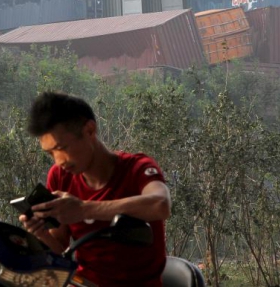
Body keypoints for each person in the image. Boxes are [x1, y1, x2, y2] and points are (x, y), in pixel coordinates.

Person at [19, 91, 170, 287]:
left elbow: (161, 204)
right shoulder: (59, 176)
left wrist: (83, 209)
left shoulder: (137, 168)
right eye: (50, 153)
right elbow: (61, 246)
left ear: (89, 131)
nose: (58, 161)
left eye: (62, 148)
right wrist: (41, 233)